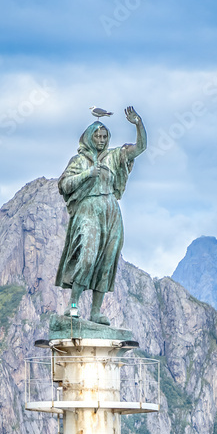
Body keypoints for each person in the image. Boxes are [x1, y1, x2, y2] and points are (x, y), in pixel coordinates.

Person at [55, 106, 147, 325]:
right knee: (86, 258)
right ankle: (73, 305)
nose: (101, 139)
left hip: (111, 211)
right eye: (97, 136)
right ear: (89, 137)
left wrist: (138, 124)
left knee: (107, 260)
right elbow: (64, 185)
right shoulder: (79, 161)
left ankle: (96, 311)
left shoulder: (114, 157)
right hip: (87, 210)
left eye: (104, 136)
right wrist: (88, 174)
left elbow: (141, 148)